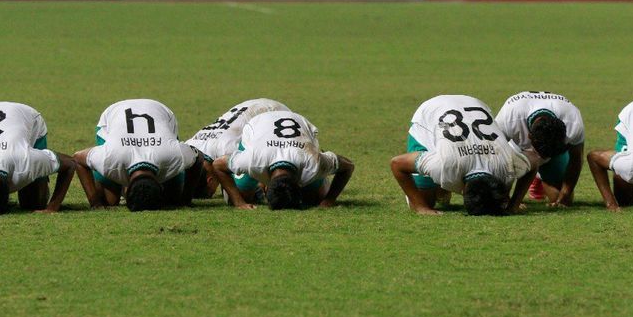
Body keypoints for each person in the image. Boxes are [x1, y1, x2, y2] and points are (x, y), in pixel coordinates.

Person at [390, 95, 541, 216]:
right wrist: (420, 207)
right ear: (462, 192)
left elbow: (534, 159)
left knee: (438, 180)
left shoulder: (508, 165)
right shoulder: (444, 165)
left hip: (473, 104)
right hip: (429, 114)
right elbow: (397, 164)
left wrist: (514, 203)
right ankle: (439, 189)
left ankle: (441, 188)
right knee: (425, 201)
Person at [73, 99, 202, 211]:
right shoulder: (110, 158)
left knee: (172, 199)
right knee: (109, 201)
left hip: (160, 112)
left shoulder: (172, 155)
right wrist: (96, 203)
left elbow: (199, 158)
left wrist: (185, 199)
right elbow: (79, 158)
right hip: (113, 115)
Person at [210, 110, 354, 210]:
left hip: (299, 126)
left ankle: (323, 172)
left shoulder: (313, 163)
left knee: (317, 197)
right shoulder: (253, 159)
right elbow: (218, 165)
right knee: (243, 194)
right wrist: (238, 202)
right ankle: (252, 188)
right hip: (258, 124)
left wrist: (329, 200)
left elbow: (348, 166)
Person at [494, 91, 585, 207]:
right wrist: (506, 199)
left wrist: (565, 194)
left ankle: (538, 176)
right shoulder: (510, 117)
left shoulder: (572, 121)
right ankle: (531, 173)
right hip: (517, 149)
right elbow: (495, 155)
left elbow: (576, 159)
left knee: (561, 200)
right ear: (529, 136)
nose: (543, 157)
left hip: (554, 154)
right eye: (542, 153)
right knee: (497, 199)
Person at [186, 98, 289, 198]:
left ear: (210, 180)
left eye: (211, 192)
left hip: (274, 113)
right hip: (252, 106)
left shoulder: (226, 149)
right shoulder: (189, 146)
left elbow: (257, 157)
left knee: (243, 190)